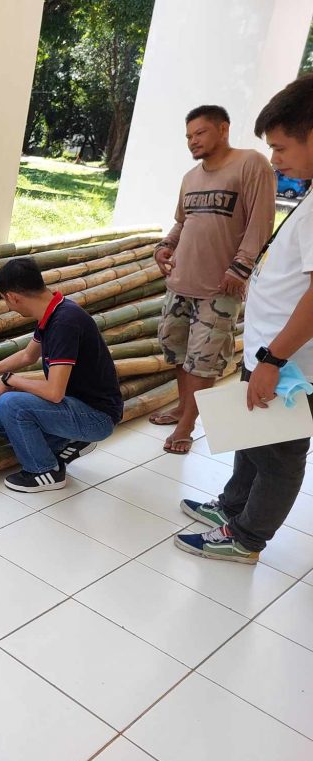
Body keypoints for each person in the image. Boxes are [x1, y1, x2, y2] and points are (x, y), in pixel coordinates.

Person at [177, 76, 313, 564]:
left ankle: (248, 537)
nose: (276, 159)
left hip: (290, 359)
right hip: (269, 349)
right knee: (255, 437)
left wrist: (276, 358)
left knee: (279, 452)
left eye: (280, 147)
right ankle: (233, 507)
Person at [150, 105, 276, 454]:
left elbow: (261, 221)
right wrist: (166, 245)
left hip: (220, 289)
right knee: (177, 353)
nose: (193, 141)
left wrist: (241, 266)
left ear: (223, 129)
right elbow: (183, 220)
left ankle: (188, 424)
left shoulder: (251, 164)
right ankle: (181, 406)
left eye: (200, 133)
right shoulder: (190, 177)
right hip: (180, 282)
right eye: (189, 136)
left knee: (203, 360)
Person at [0, 258, 123, 492]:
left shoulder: (64, 323)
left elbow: (54, 392)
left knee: (12, 403)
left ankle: (45, 471)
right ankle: (66, 441)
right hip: (75, 406)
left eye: (3, 299)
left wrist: (12, 381)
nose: (7, 305)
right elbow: (26, 357)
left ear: (12, 297)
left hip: (96, 416)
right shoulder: (53, 311)